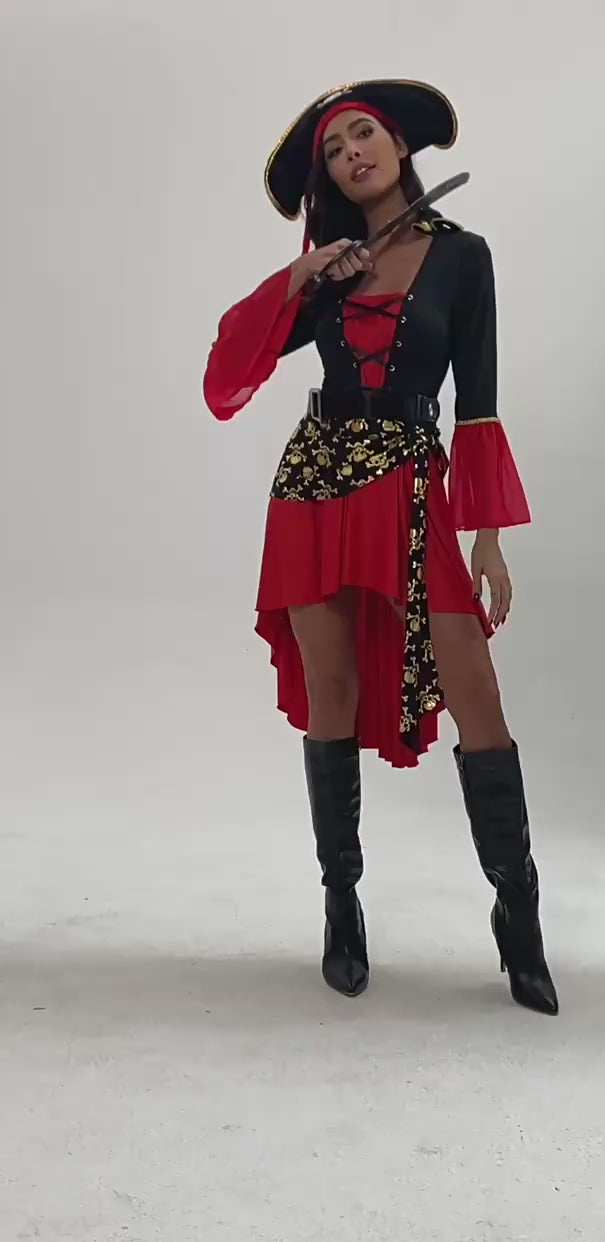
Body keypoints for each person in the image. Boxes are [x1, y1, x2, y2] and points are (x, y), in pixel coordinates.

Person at [203, 79, 558, 1016]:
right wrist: (300, 277)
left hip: (407, 484)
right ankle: (341, 904)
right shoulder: (330, 272)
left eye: (363, 134)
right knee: (331, 690)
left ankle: (517, 909)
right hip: (314, 484)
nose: (351, 152)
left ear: (399, 147)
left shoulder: (463, 257)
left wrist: (487, 539)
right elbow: (226, 369)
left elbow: (478, 404)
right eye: (333, 149)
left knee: (476, 690)